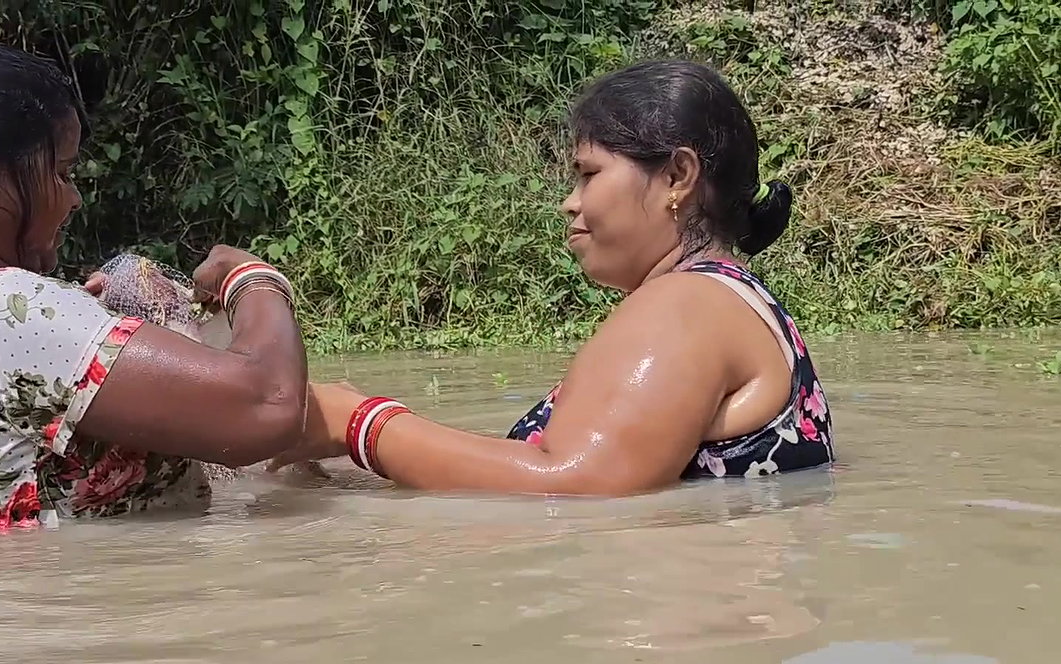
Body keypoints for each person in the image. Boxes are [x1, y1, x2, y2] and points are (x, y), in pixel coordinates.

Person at [269, 60, 834, 495]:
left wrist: (359, 424)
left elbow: (577, 484)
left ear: (677, 176)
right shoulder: (731, 298)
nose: (570, 202)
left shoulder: (685, 304)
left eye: (589, 173)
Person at [0, 28, 306, 531]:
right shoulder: (9, 308)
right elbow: (270, 404)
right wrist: (250, 277)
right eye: (61, 172)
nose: (74, 198)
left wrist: (88, 324)